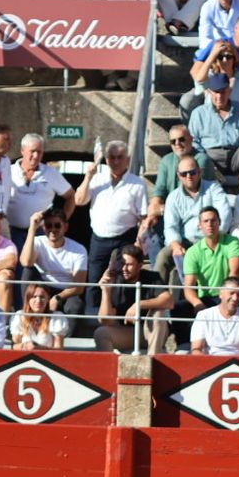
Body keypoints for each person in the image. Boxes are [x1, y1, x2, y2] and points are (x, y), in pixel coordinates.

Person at [76, 140, 150, 313]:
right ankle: (92, 315)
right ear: (106, 159)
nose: (116, 161)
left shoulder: (137, 183)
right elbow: (79, 201)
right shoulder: (97, 179)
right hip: (99, 237)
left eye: (120, 157)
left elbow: (144, 218)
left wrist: (138, 244)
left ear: (128, 159)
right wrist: (88, 176)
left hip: (125, 236)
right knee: (94, 277)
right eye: (112, 157)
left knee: (122, 278)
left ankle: (119, 313)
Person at [95, 243, 179, 353]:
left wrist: (138, 305)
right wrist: (105, 291)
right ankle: (110, 368)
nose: (124, 268)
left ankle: (153, 361)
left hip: (152, 331)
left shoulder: (152, 277)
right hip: (128, 332)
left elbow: (169, 301)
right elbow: (105, 321)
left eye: (129, 265)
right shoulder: (115, 280)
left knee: (158, 313)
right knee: (100, 333)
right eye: (122, 264)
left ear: (140, 266)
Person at [189, 279, 239, 354]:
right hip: (210, 362)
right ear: (221, 294)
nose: (235, 298)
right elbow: (196, 350)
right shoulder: (204, 315)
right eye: (231, 293)